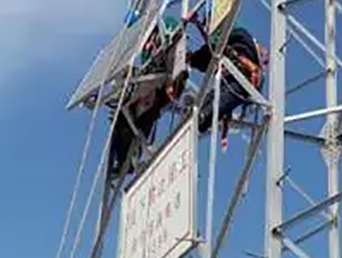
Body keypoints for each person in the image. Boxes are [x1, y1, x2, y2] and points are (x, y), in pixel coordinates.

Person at [108, 12, 187, 180]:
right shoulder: (145, 45)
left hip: (160, 87)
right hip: (149, 89)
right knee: (122, 120)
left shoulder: (167, 27)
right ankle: (124, 161)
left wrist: (173, 81)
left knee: (140, 119)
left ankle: (130, 155)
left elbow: (178, 49)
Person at [187, 22, 263, 135]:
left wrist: (198, 24)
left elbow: (214, 47)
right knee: (207, 103)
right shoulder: (234, 42)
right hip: (231, 78)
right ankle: (198, 116)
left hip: (240, 78)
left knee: (211, 109)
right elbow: (210, 50)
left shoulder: (238, 41)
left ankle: (201, 117)